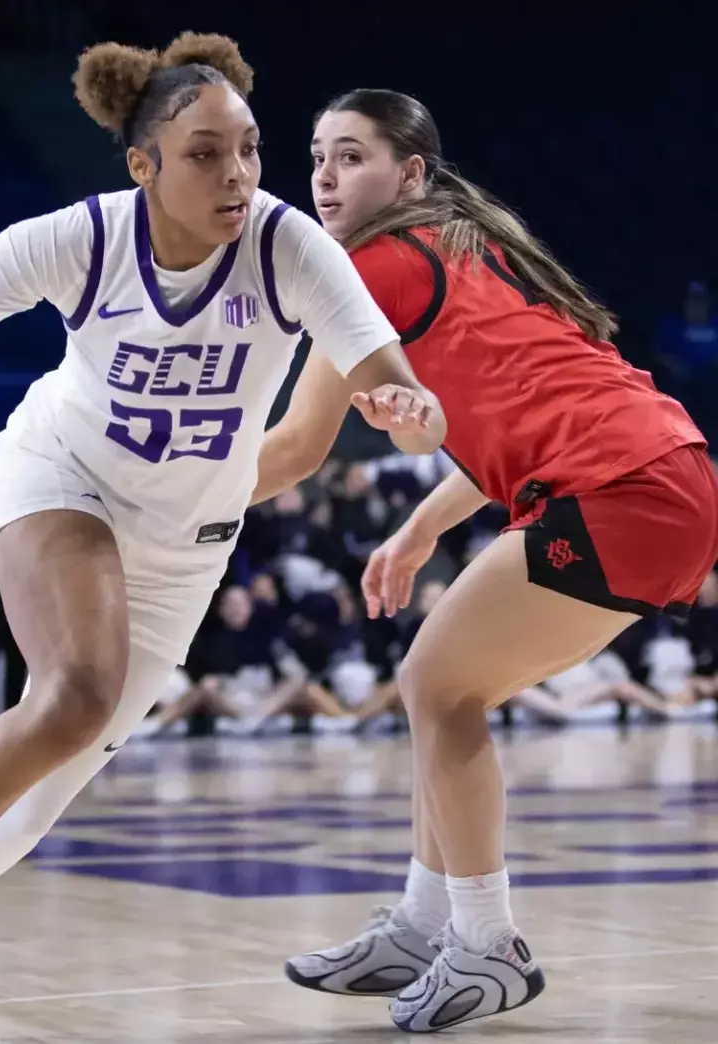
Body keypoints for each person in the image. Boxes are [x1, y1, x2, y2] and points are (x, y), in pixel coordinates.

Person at [250, 89, 718, 1033]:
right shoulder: (472, 249)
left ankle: (486, 944)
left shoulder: (373, 267)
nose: (326, 177)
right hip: (659, 473)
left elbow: (299, 448)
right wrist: (422, 528)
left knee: (437, 684)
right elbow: (510, 413)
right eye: (317, 156)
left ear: (411, 175)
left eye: (353, 157)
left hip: (621, 485)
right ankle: (429, 925)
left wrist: (151, 510)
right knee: (444, 686)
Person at [0, 53, 446, 909]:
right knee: (73, 699)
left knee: (22, 818)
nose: (238, 176)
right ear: (145, 165)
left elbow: (415, 410)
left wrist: (408, 411)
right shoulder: (85, 237)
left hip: (182, 555)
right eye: (206, 154)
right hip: (60, 480)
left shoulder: (289, 246)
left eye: (250, 150)